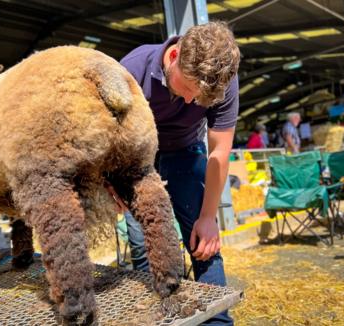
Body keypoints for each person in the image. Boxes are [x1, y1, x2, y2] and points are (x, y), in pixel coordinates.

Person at [120, 21, 240, 325]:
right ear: (174, 56)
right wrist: (115, 184)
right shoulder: (131, 72)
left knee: (203, 241)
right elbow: (112, 139)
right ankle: (157, 316)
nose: (190, 101)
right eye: (186, 88)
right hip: (137, 158)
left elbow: (219, 152)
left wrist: (209, 217)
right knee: (142, 239)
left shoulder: (221, 79)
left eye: (200, 99)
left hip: (185, 150)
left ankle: (217, 321)